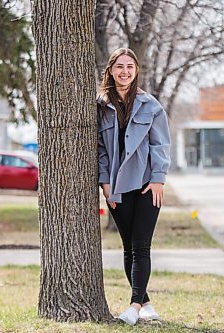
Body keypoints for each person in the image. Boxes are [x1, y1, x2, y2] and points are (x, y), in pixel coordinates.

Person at [97, 48, 171, 326]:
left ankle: (134, 306)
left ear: (136, 70)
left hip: (147, 185)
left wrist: (158, 179)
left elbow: (161, 145)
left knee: (142, 246)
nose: (125, 71)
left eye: (130, 66)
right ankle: (147, 304)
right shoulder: (101, 105)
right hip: (116, 186)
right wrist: (104, 182)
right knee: (128, 247)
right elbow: (101, 150)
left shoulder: (150, 105)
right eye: (119, 66)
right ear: (111, 70)